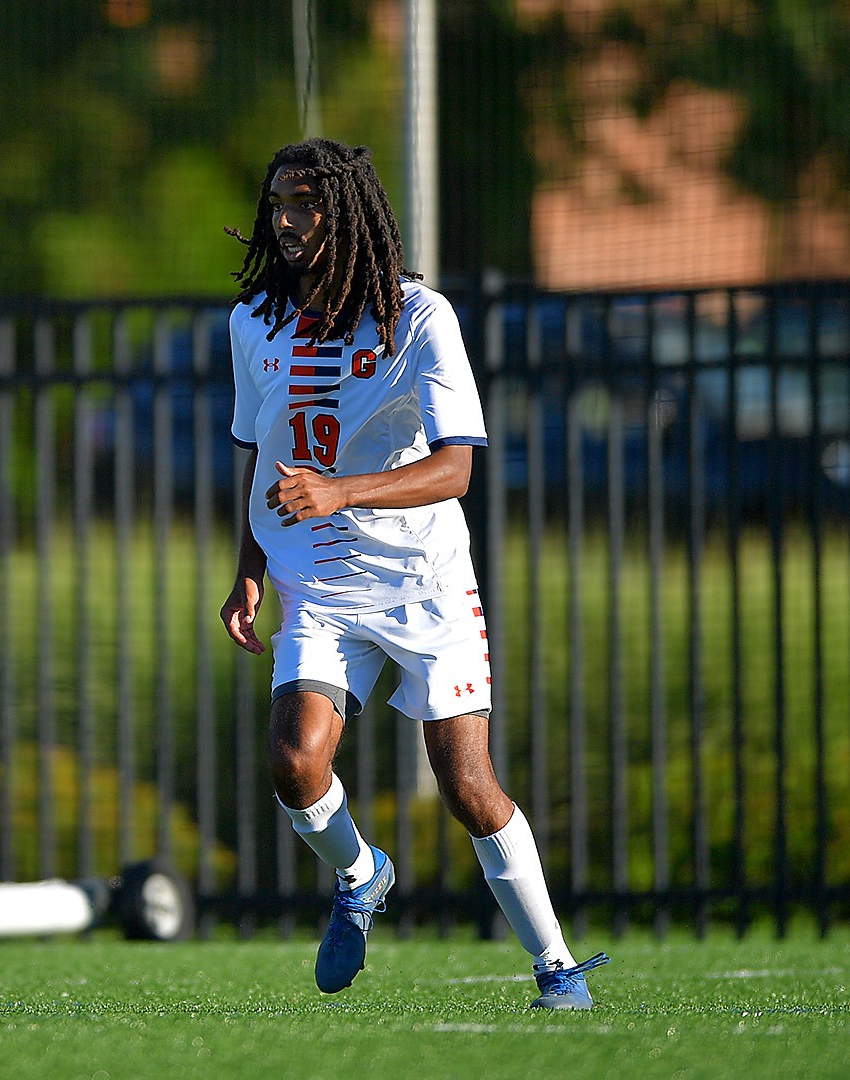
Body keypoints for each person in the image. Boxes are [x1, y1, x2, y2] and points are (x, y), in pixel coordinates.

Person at [218, 138, 607, 1009]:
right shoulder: (252, 324)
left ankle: (555, 965)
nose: (286, 220)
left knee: (468, 788)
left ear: (349, 214)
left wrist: (340, 489)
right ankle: (360, 875)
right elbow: (255, 453)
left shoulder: (418, 318)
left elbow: (458, 468)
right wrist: (247, 571)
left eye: (308, 203)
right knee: (293, 763)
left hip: (422, 582)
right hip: (314, 583)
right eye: (278, 201)